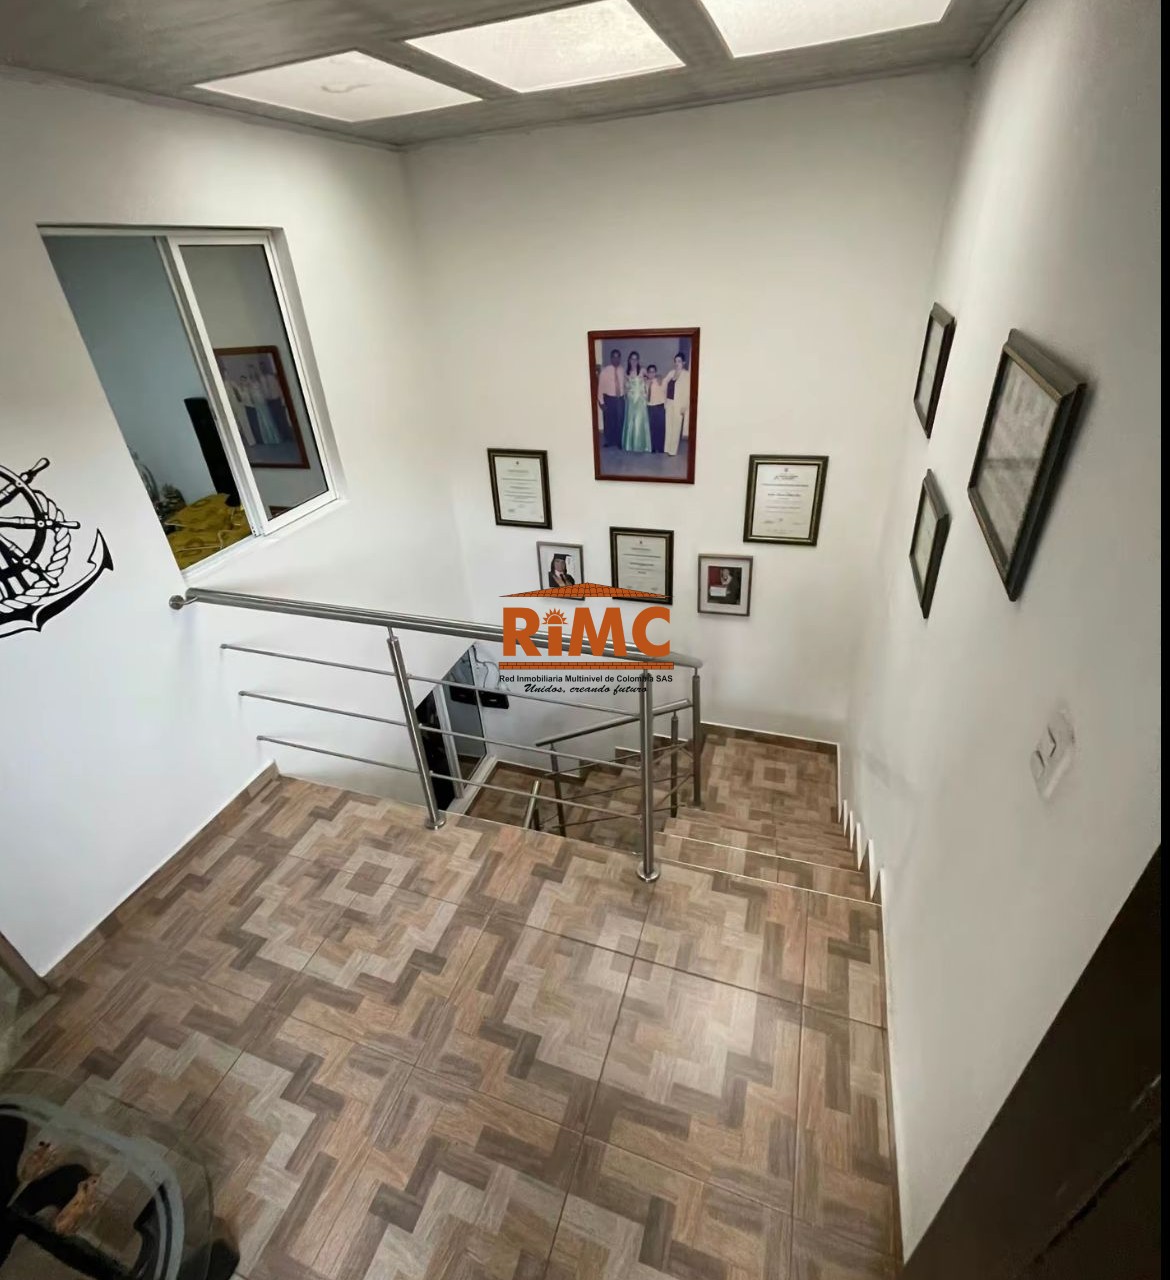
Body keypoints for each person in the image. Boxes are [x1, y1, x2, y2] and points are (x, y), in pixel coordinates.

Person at [621, 351, 651, 453]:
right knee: (630, 421)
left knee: (639, 421)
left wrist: (657, 378)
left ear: (638, 360)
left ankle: (640, 445)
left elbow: (650, 377)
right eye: (632, 359)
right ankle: (629, 445)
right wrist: (626, 393)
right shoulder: (627, 372)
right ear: (629, 360)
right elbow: (626, 386)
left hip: (640, 400)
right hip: (630, 399)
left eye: (635, 359)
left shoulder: (642, 370)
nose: (634, 361)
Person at [663, 351, 692, 456]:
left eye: (679, 361)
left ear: (683, 362)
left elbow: (688, 392)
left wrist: (685, 406)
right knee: (668, 426)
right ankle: (667, 448)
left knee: (676, 427)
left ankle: (673, 450)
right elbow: (664, 383)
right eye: (675, 361)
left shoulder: (686, 375)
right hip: (669, 402)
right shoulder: (671, 373)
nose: (677, 363)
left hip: (679, 404)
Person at [596, 348, 626, 448]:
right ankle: (609, 441)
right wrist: (601, 402)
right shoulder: (605, 371)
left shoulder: (622, 370)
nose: (616, 359)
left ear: (620, 358)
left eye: (618, 357)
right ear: (611, 358)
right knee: (609, 421)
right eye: (614, 357)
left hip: (620, 399)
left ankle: (619, 441)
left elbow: (626, 383)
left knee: (620, 420)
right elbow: (600, 387)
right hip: (609, 399)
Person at [646, 364, 667, 453]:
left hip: (659, 406)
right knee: (652, 428)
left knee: (661, 428)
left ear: (655, 372)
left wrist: (660, 377)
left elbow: (665, 392)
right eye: (650, 372)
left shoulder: (660, 381)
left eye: (653, 372)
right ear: (647, 373)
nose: (651, 374)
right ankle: (653, 447)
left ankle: (660, 447)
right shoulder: (646, 382)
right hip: (650, 407)